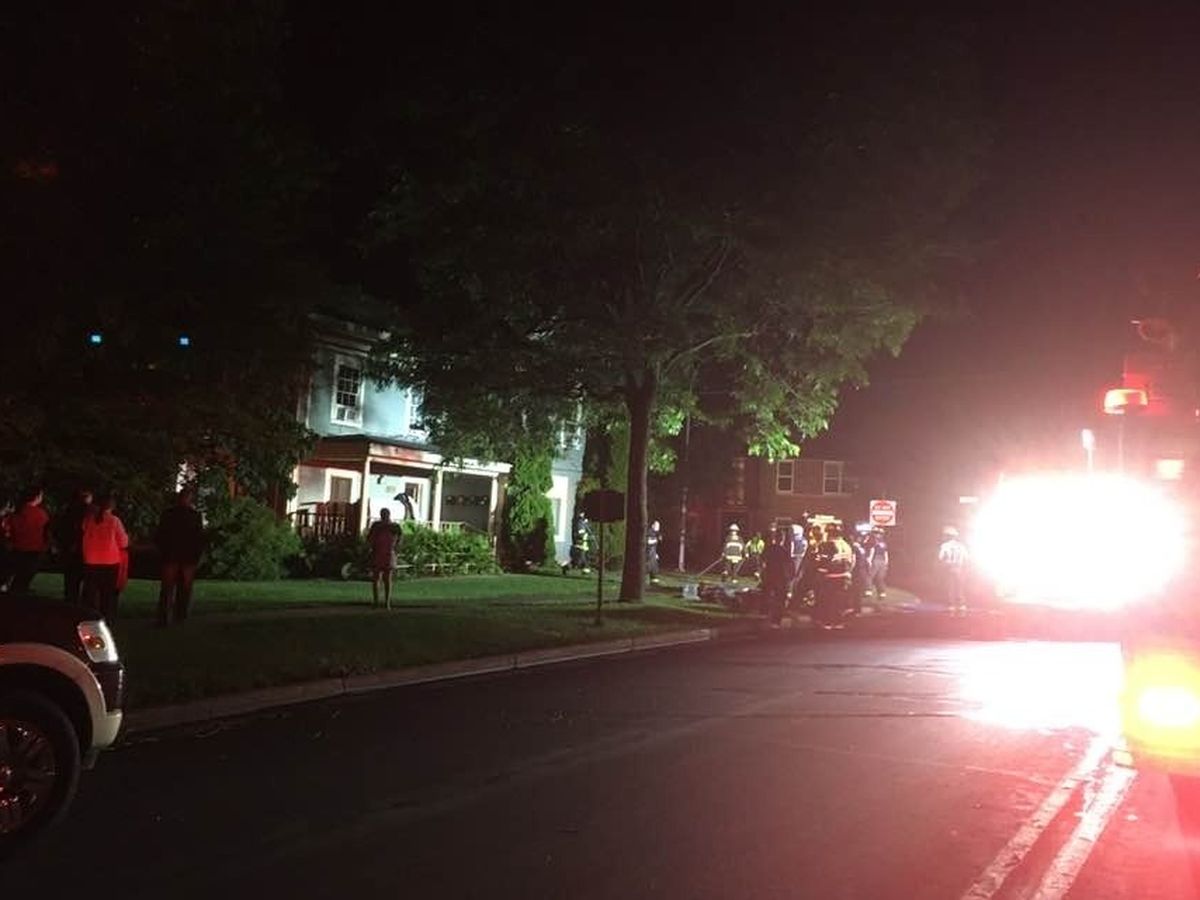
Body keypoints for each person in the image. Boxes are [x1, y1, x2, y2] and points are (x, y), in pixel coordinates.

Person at [155, 488, 205, 626]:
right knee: (184, 588)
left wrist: (162, 550)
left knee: (168, 587)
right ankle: (180, 615)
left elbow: (160, 534)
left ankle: (166, 615)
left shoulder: (169, 514)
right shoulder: (194, 516)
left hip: (172, 555)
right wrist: (198, 555)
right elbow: (199, 538)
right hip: (187, 556)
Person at [82, 494, 128, 621]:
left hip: (91, 559)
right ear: (112, 506)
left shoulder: (88, 520)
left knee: (91, 592)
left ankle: (89, 616)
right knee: (107, 593)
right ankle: (105, 617)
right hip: (109, 561)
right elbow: (123, 542)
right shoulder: (114, 521)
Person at [6, 488, 51, 596]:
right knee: (24, 578)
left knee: (18, 577)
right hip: (34, 550)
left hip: (17, 549)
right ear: (36, 497)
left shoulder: (17, 512)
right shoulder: (41, 514)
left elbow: (10, 530)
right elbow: (46, 532)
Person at [54, 487, 94, 604]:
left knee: (71, 583)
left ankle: (70, 604)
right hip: (86, 553)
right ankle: (85, 605)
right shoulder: (91, 512)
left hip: (70, 552)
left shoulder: (68, 512)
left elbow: (59, 531)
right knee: (88, 584)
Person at [813, 523, 854, 628]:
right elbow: (852, 561)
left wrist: (819, 574)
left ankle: (827, 622)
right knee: (839, 600)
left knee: (827, 600)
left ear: (829, 533)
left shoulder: (826, 545)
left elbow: (822, 562)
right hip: (844, 576)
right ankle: (838, 622)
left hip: (830, 576)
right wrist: (848, 573)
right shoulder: (846, 545)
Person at [367, 508, 400, 609]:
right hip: (382, 553)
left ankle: (383, 602)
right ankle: (382, 602)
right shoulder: (389, 526)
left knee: (382, 578)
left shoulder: (385, 526)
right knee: (381, 578)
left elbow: (370, 538)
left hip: (385, 553)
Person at [760, 528, 793, 626]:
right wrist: (790, 576)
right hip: (780, 577)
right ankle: (776, 618)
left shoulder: (769, 549)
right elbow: (789, 564)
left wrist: (762, 573)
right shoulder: (784, 551)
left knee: (767, 594)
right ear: (782, 539)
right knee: (780, 598)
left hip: (770, 575)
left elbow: (762, 561)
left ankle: (765, 613)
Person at [938, 526, 969, 615]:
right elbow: (967, 558)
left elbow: (940, 558)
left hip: (950, 569)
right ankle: (961, 605)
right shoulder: (961, 546)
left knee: (951, 588)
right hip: (960, 569)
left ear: (948, 536)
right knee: (960, 588)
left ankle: (952, 605)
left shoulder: (944, 546)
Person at [849, 527, 870, 616]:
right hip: (863, 572)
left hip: (856, 572)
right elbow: (867, 561)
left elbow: (853, 561)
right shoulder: (862, 549)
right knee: (859, 591)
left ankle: (856, 609)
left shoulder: (854, 548)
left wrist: (849, 571)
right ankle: (858, 608)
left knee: (855, 591)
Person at [866, 528, 890, 602]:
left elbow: (872, 551)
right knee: (880, 578)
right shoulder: (884, 543)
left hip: (875, 560)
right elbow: (886, 553)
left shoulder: (874, 541)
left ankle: (869, 591)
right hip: (882, 561)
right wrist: (886, 563)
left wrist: (869, 560)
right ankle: (882, 593)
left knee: (870, 576)